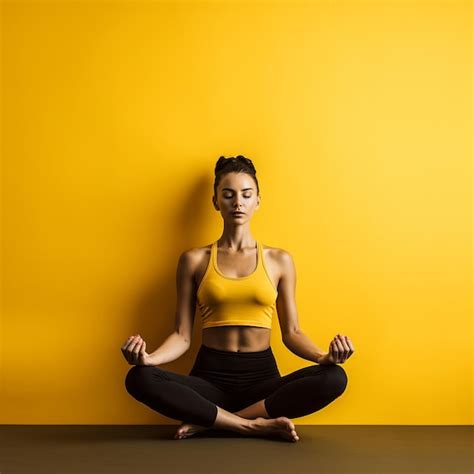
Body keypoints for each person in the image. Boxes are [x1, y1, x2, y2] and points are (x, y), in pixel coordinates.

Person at [121, 155, 355, 442]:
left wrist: (324, 357)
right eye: (228, 195)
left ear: (258, 200)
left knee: (334, 377)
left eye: (246, 194)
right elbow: (182, 335)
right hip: (208, 381)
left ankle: (213, 421)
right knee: (139, 377)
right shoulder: (194, 260)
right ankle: (251, 425)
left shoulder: (279, 260)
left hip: (262, 382)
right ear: (216, 202)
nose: (238, 202)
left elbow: (292, 333)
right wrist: (149, 358)